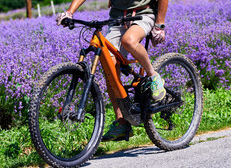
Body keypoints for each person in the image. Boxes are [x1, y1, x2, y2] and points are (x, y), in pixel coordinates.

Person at [56, 0, 169, 142]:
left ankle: (154, 76)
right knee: (108, 65)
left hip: (143, 14)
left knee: (129, 41)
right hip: (117, 18)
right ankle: (122, 122)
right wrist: (69, 13)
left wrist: (159, 25)